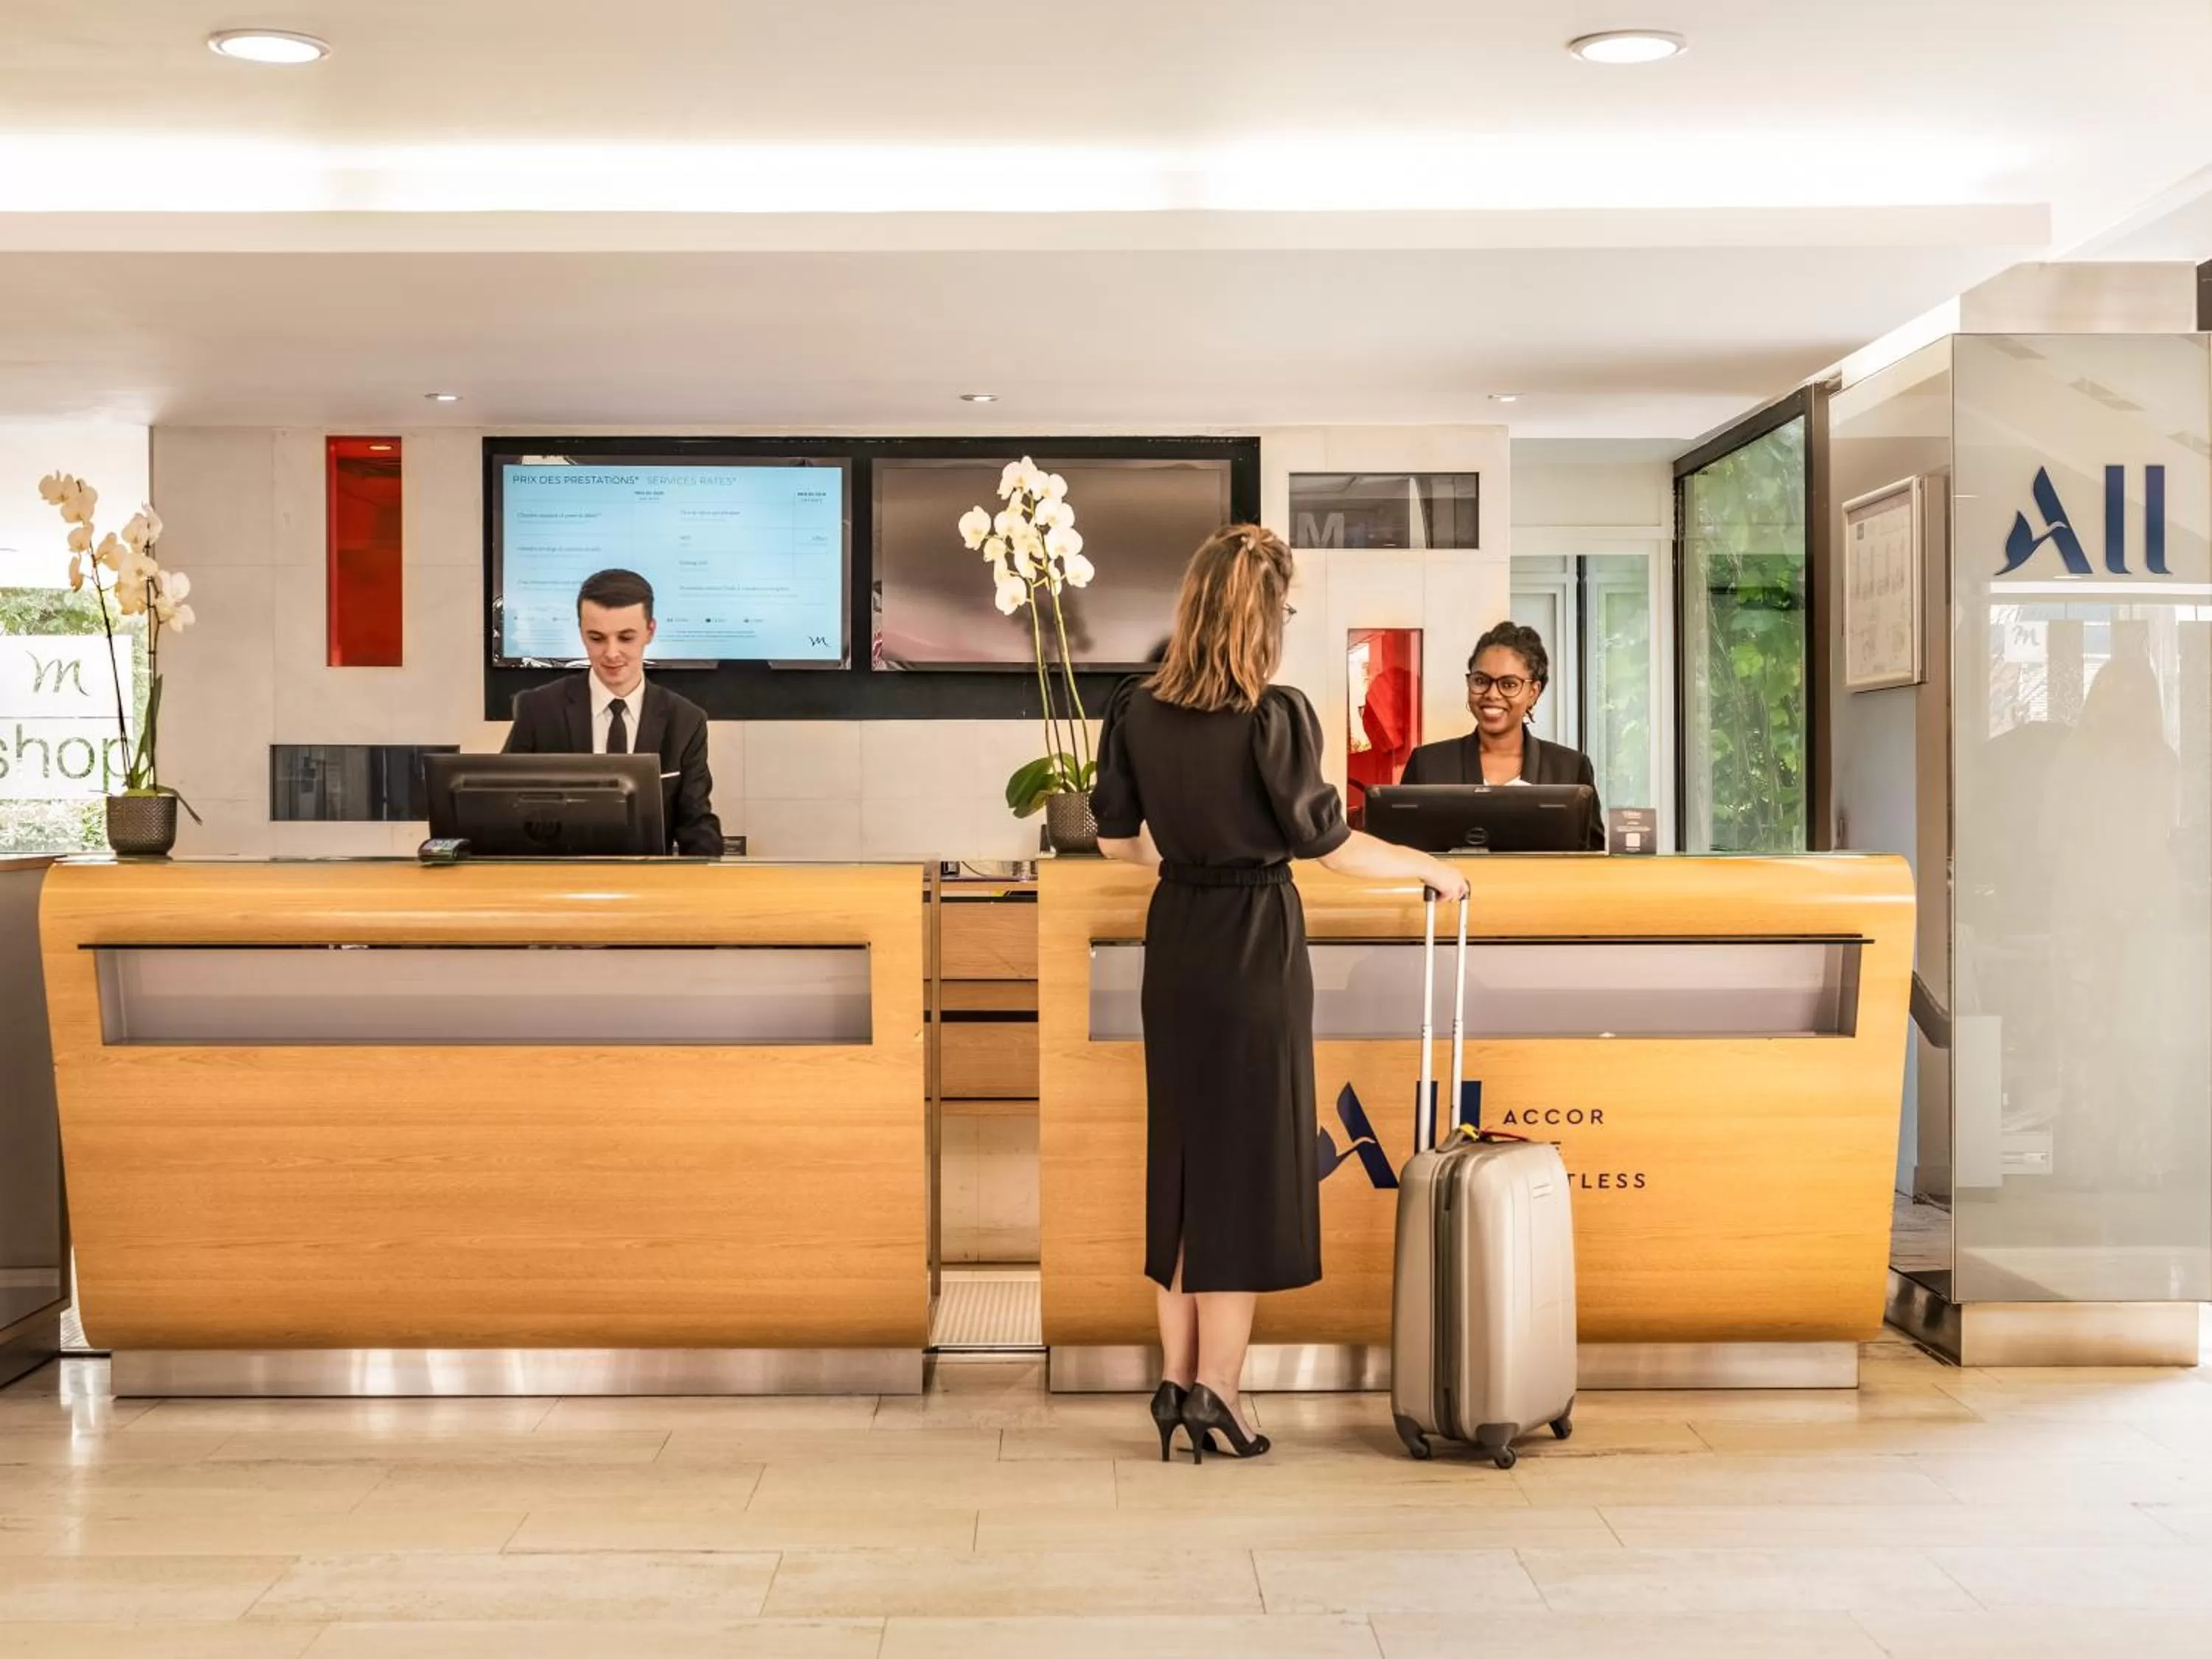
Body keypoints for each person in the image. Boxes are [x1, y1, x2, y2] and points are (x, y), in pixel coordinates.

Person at [1093, 524, 1468, 1465]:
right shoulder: (1275, 716)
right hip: (1253, 943)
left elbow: (1115, 841)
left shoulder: (1134, 707)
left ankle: (1176, 1380)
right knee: (1246, 1173)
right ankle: (1220, 1390)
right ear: (1264, 618)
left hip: (1177, 940)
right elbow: (1330, 847)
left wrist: (1192, 850)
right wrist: (1429, 867)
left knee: (1183, 1165)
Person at [502, 568, 724, 856]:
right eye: (596, 638)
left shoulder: (686, 720)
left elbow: (696, 821)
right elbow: (503, 807)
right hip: (560, 877)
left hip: (647, 879)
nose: (611, 653)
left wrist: (710, 874)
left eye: (626, 638)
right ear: (581, 632)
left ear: (650, 631)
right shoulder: (539, 709)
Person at [1399, 620, 1604, 849]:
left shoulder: (1570, 768)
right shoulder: (1428, 765)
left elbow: (1593, 857)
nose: (1492, 694)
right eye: (1480, 681)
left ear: (1533, 692)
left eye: (1509, 684)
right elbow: (1402, 852)